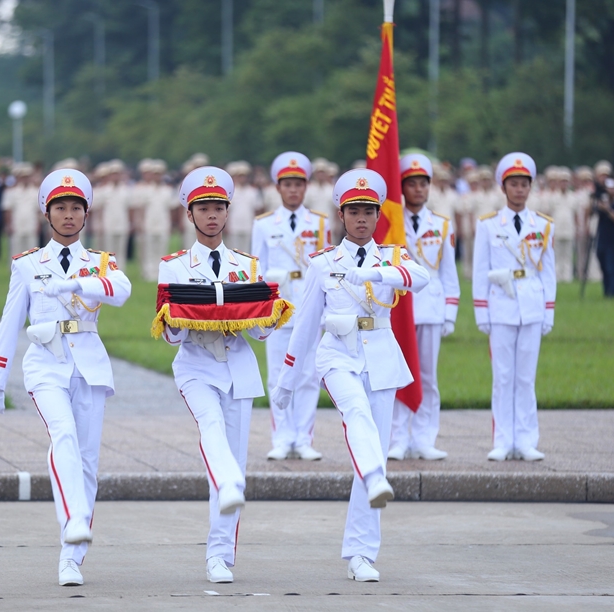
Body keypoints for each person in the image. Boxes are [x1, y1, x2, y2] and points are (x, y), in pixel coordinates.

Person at [272, 168, 430, 582]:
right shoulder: (324, 263)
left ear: (378, 216)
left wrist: (376, 274)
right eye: (354, 211)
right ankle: (376, 476)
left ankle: (361, 554)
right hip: (338, 356)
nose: (361, 218)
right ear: (342, 216)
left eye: (368, 212)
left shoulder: (393, 257)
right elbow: (305, 325)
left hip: (379, 356)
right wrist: (286, 382)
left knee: (373, 442)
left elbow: (422, 278)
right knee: (357, 416)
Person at [0, 169, 132, 587]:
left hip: (88, 363)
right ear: (46, 213)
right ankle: (72, 521)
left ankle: (72, 557)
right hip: (46, 363)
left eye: (76, 208)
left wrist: (78, 283)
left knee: (87, 462)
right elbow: (9, 321)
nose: (68, 215)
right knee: (63, 434)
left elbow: (120, 290)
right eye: (60, 208)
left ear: (86, 214)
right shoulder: (29, 264)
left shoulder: (101, 262)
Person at [156, 166, 275, 584]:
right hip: (196, 364)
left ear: (228, 213)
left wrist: (268, 313)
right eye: (203, 208)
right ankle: (226, 484)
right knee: (210, 427)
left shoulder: (247, 265)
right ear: (189, 215)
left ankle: (219, 555)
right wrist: (176, 317)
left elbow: (260, 332)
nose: (211, 215)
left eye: (218, 208)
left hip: (238, 366)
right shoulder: (173, 266)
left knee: (235, 462)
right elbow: (171, 336)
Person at [473, 152, 555, 462]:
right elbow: (481, 270)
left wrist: (549, 311)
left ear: (531, 187)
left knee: (526, 378)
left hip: (532, 304)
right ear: (503, 187)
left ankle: (526, 440)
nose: (519, 190)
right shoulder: (489, 225)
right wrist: (482, 311)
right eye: (514, 184)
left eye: (524, 184)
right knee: (503, 376)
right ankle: (503, 440)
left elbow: (548, 272)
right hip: (502, 306)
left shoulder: (543, 225)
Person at [251, 152, 331, 461]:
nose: (293, 190)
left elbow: (325, 268)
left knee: (309, 373)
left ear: (306, 186)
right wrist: (261, 311)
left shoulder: (320, 224)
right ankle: (282, 436)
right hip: (278, 308)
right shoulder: (264, 224)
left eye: (299, 184)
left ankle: (304, 437)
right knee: (278, 374)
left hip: (310, 306)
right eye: (287, 184)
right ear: (278, 187)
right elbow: (257, 269)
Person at [388, 154, 460, 461]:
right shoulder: (391, 223)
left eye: (423, 184)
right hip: (400, 309)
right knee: (397, 374)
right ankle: (397, 438)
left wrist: (450, 313)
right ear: (402, 188)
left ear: (430, 187)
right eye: (412, 184)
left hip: (430, 307)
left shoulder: (441, 225)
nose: (418, 189)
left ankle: (424, 437)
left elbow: (448, 273)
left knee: (427, 376)